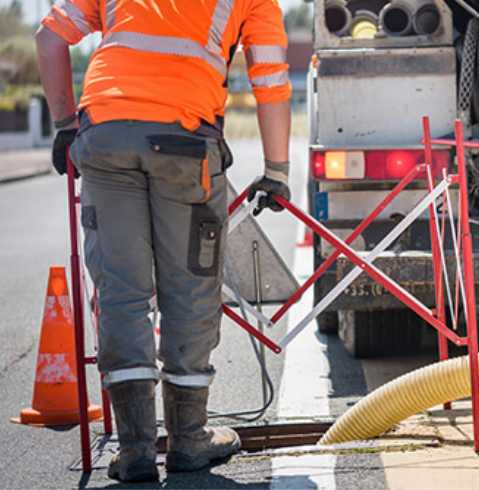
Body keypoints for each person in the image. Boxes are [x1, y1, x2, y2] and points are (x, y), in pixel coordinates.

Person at [35, 0, 291, 482]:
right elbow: (271, 82)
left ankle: (134, 448)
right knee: (189, 290)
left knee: (121, 289)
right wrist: (276, 171)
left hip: (104, 139)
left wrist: (66, 125)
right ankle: (189, 439)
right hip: (184, 143)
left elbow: (49, 38)